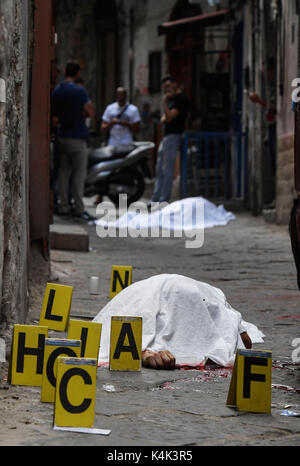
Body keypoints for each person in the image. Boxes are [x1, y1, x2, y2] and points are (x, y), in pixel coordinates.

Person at [93, 274, 264, 370]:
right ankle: (143, 348)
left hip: (182, 291)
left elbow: (245, 342)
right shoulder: (206, 302)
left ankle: (143, 347)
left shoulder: (217, 304)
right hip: (165, 291)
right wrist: (142, 351)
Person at [51, 61, 95, 220]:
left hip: (63, 135)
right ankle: (78, 207)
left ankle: (63, 205)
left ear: (64, 72)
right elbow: (90, 112)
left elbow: (54, 118)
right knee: (79, 174)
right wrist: (81, 114)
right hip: (77, 136)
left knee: (64, 173)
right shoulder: (79, 91)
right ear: (77, 74)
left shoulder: (57, 91)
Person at [150, 75, 189, 204]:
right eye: (165, 87)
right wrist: (166, 114)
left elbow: (170, 116)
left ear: (175, 84)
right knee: (159, 168)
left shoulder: (181, 99)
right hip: (166, 136)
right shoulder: (172, 99)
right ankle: (156, 198)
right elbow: (163, 119)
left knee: (167, 169)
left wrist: (165, 104)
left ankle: (163, 199)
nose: (167, 89)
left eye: (168, 86)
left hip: (174, 135)